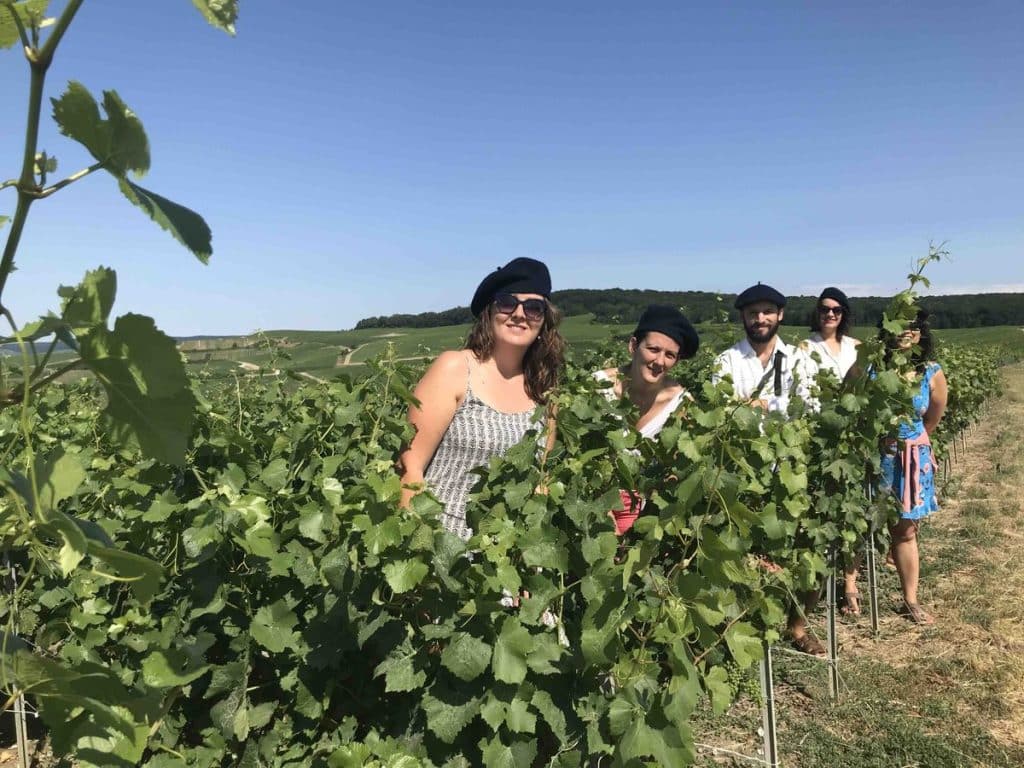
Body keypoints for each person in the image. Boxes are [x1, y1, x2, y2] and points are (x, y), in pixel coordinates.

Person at [399, 258, 566, 540]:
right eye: (507, 302)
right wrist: (419, 548)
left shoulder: (545, 392)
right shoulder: (455, 369)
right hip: (441, 552)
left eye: (534, 307)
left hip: (505, 563)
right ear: (489, 311)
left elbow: (540, 482)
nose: (520, 314)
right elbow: (409, 467)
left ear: (544, 320)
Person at [712, 283, 823, 654]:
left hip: (789, 466)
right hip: (744, 469)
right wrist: (747, 409)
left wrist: (755, 407)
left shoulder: (797, 360)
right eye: (752, 313)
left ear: (780, 316)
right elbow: (721, 411)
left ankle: (797, 626)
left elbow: (810, 408)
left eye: (767, 312)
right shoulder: (727, 361)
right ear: (743, 317)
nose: (760, 319)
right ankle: (749, 626)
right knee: (747, 550)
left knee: (796, 548)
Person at [859, 310, 947, 624]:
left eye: (913, 327)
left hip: (912, 458)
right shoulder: (872, 369)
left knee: (906, 530)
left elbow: (933, 417)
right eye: (898, 326)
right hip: (876, 457)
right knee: (864, 524)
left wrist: (910, 442)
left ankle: (910, 600)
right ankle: (850, 589)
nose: (905, 332)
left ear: (921, 333)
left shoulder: (931, 372)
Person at [595, 305, 700, 534]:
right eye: (653, 349)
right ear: (633, 346)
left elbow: (678, 468)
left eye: (670, 355)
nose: (660, 361)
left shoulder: (681, 405)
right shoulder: (597, 388)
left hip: (646, 511)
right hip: (594, 501)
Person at [802, 287, 861, 380]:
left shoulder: (856, 346)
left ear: (843, 314)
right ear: (818, 312)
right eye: (825, 309)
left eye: (837, 310)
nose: (830, 314)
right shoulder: (806, 347)